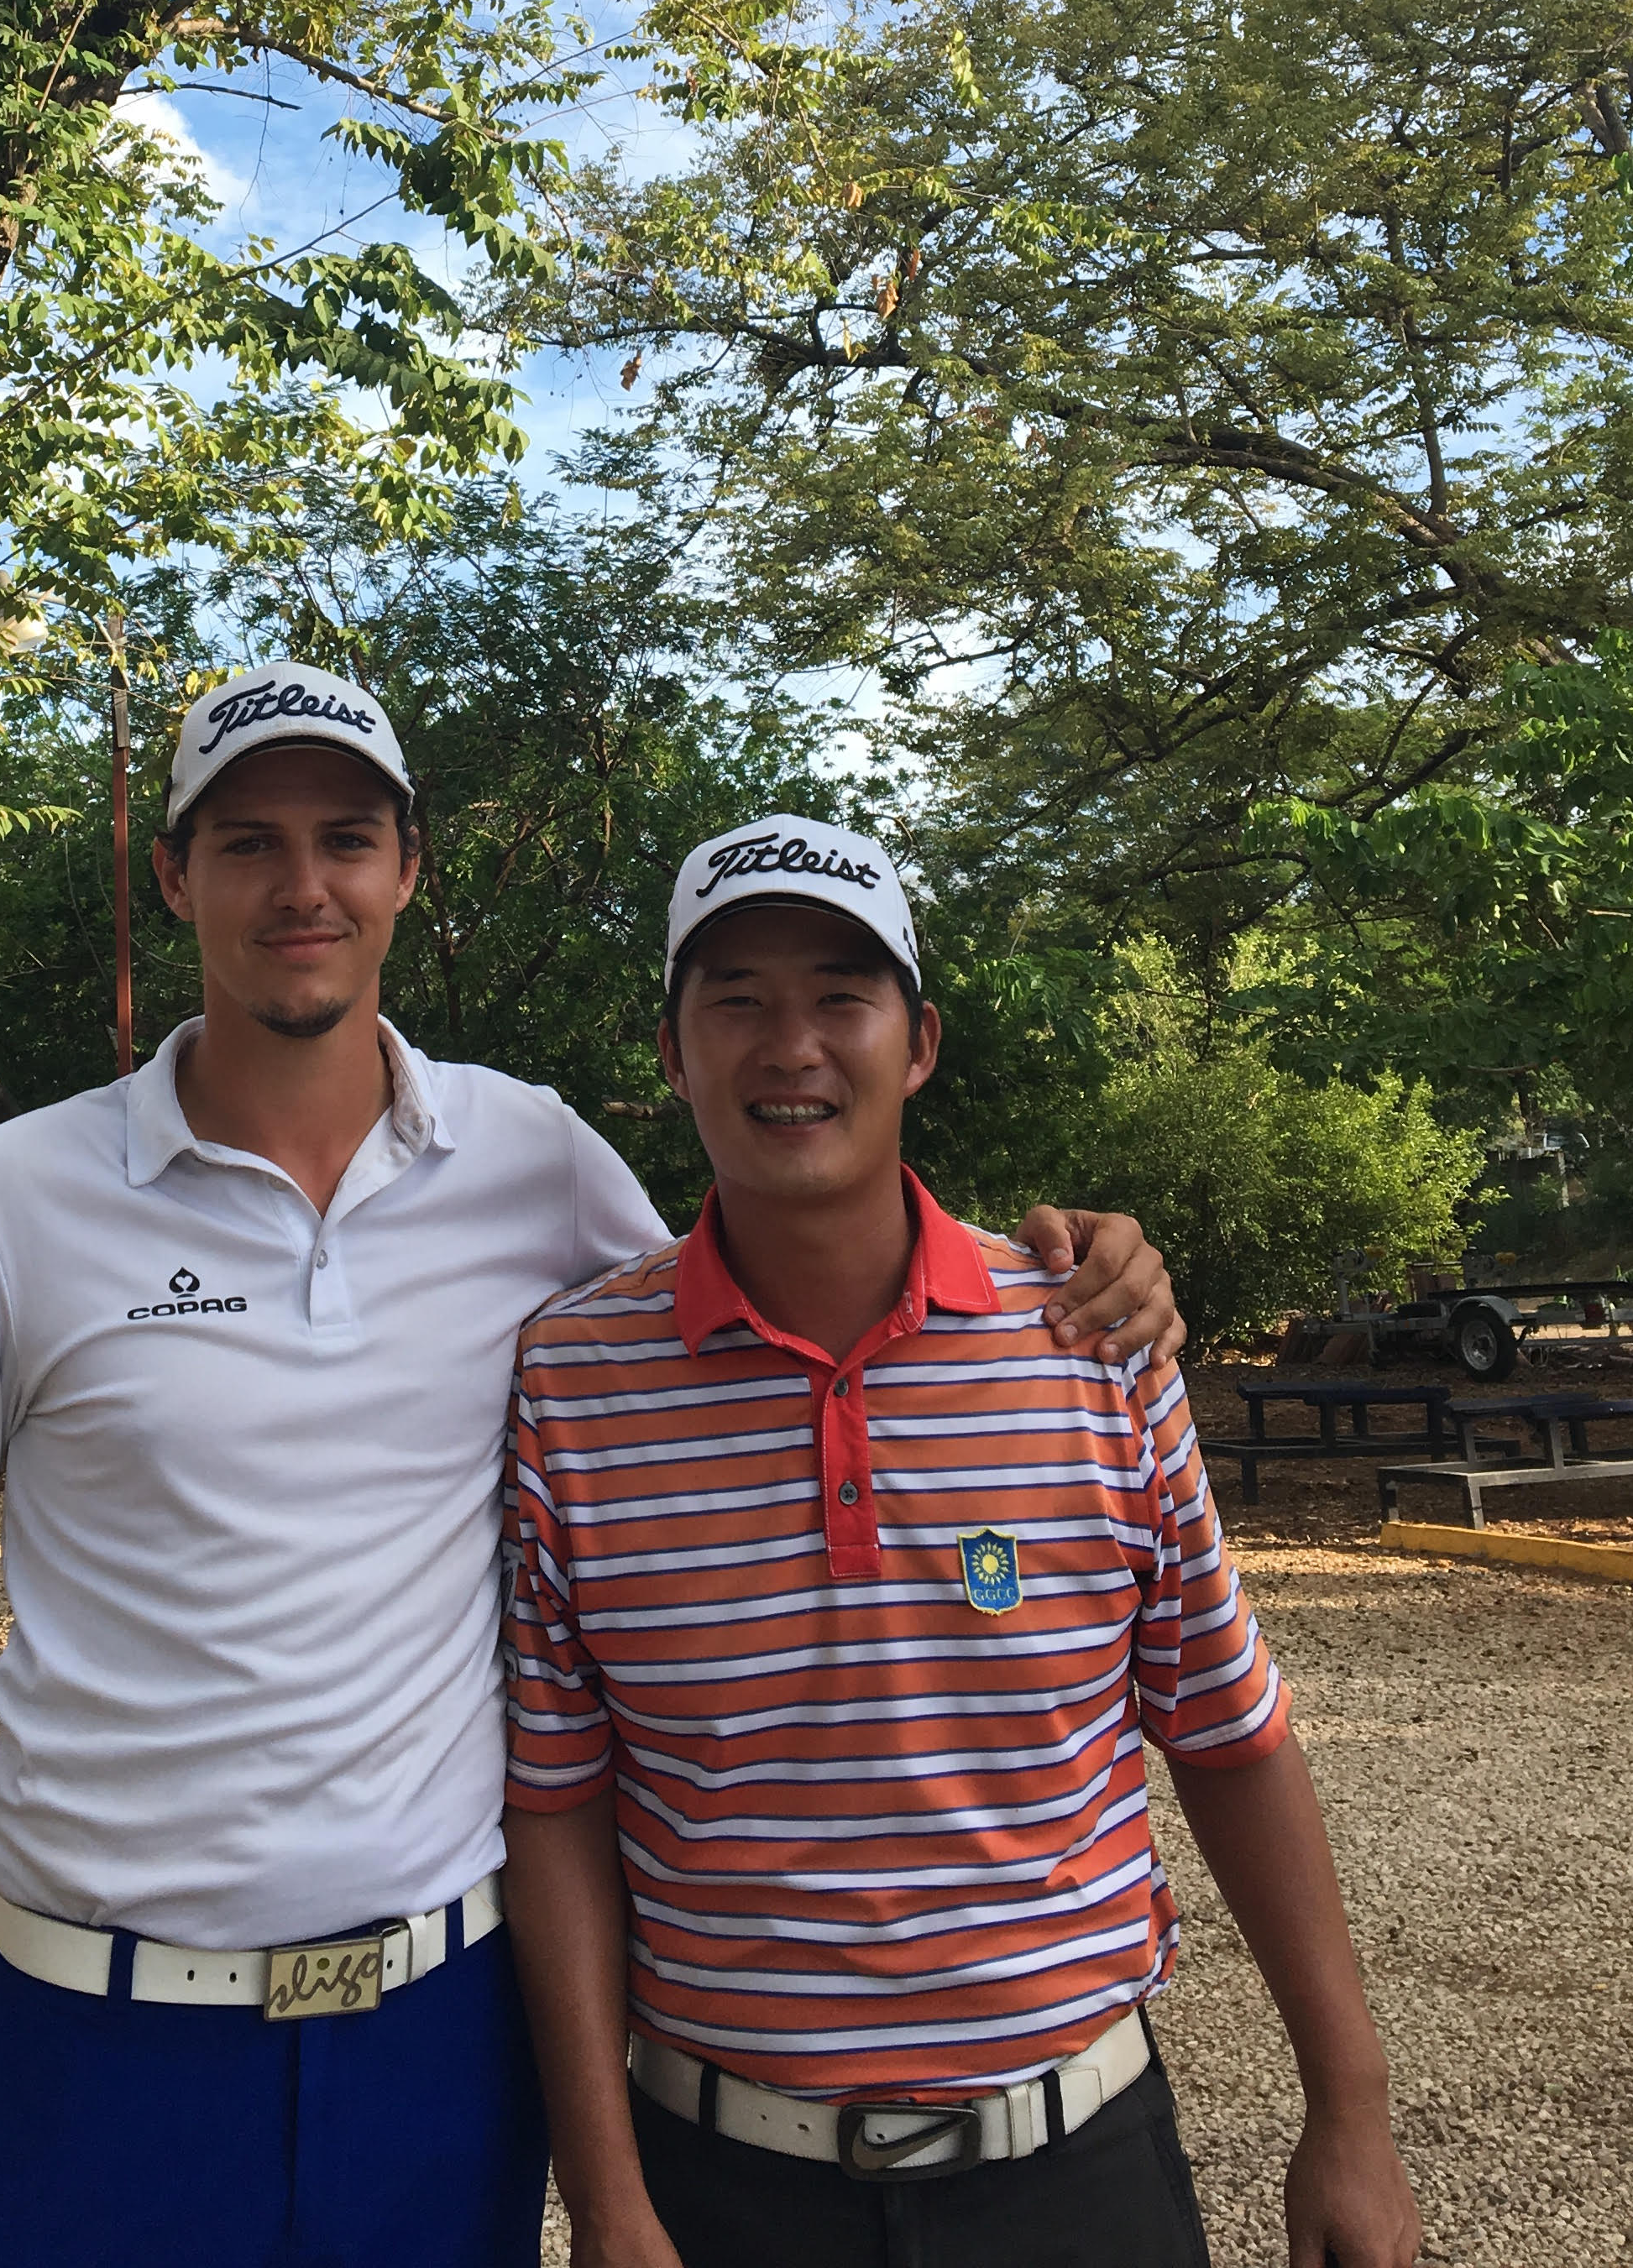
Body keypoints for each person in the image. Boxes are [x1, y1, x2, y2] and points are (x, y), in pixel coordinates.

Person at [0, 675, 1186, 2268]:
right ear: (174, 877)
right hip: (99, 2042)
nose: (303, 886)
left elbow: (767, 1301)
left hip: (438, 2045)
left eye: (347, 836)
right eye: (249, 842)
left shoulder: (530, 1163)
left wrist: (1077, 1272)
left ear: (409, 868)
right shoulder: (20, 1199)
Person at [500, 812, 1422, 2268]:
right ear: (674, 1054)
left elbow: (1229, 1733)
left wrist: (1351, 2108)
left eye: (838, 996)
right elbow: (555, 1801)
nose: (789, 1044)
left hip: (1076, 2175)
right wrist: (606, 2200)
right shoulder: (573, 1384)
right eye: (734, 999)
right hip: (721, 2183)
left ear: (917, 1041)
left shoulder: (1092, 1344)